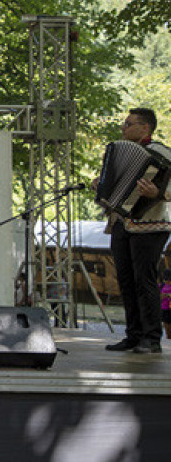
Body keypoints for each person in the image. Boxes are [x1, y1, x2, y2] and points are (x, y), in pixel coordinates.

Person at [95, 108, 171, 354]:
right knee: (126, 281)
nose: (123, 128)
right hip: (120, 222)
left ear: (145, 127)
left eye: (128, 124)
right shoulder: (119, 150)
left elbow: (166, 189)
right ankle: (133, 334)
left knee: (144, 280)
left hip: (151, 224)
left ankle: (151, 337)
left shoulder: (162, 154)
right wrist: (101, 186)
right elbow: (111, 184)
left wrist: (156, 193)